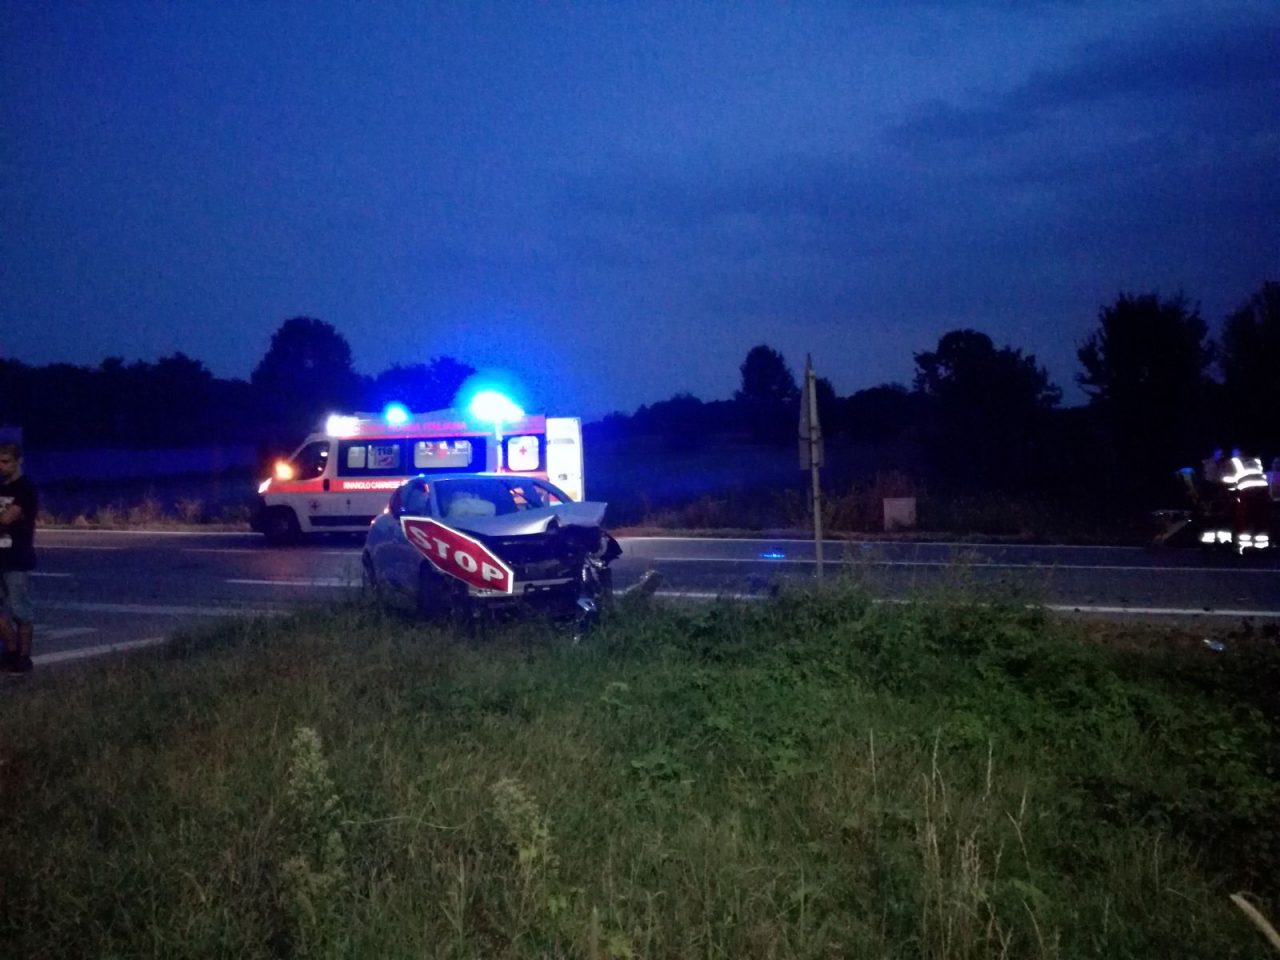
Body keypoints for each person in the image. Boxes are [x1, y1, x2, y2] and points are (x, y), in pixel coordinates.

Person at [0, 441, 38, 674]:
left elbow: (7, 519)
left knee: (19, 610)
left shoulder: (25, 488)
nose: (1, 466)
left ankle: (24, 657)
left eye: (6, 462)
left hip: (16, 556)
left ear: (18, 461)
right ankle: (11, 650)